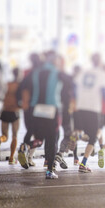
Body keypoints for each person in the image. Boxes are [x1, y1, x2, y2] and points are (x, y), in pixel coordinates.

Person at [23, 51, 72, 179]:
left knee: (40, 137)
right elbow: (71, 83)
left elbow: (22, 87)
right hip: (52, 108)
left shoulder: (36, 72)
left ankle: (26, 145)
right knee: (52, 139)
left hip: (36, 108)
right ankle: (50, 170)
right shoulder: (57, 73)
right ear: (55, 61)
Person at [73, 53, 105, 173]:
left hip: (80, 106)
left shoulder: (83, 72)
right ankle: (83, 163)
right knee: (93, 137)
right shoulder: (102, 74)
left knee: (85, 132)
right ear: (100, 62)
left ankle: (75, 138)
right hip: (93, 108)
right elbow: (104, 93)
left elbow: (74, 87)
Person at [16, 53, 42, 169]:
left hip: (27, 107)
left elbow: (19, 89)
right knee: (40, 137)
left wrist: (20, 103)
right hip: (39, 107)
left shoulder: (26, 73)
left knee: (30, 130)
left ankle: (26, 153)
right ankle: (27, 152)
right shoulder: (42, 73)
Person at [0, 68, 22, 165]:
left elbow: (0, 97)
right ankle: (11, 158)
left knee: (5, 135)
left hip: (5, 111)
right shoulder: (19, 86)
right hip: (15, 112)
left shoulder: (7, 85)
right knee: (14, 136)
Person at [54, 56, 75, 170]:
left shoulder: (52, 76)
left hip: (54, 109)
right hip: (65, 109)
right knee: (68, 133)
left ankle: (54, 158)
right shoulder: (67, 77)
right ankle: (60, 154)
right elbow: (73, 93)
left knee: (54, 135)